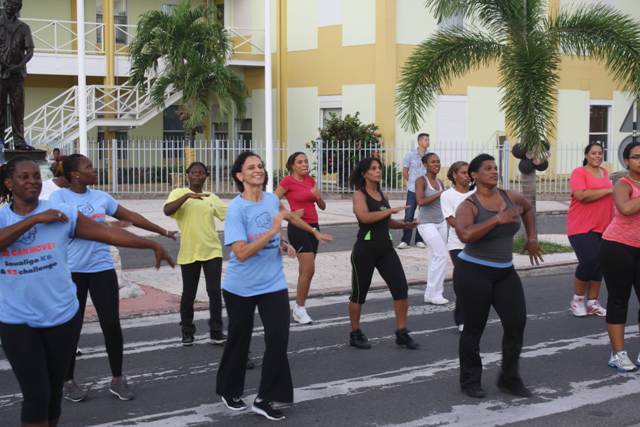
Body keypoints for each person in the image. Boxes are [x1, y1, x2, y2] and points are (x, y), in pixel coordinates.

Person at [0, 156, 173, 427]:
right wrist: (34, 220)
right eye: (24, 177)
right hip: (17, 321)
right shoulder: (4, 217)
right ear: (9, 183)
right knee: (36, 395)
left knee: (53, 394)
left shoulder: (61, 213)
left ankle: (113, 379)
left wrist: (151, 244)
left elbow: (107, 233)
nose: (32, 181)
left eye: (36, 176)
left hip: (61, 316)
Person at [49, 154, 177, 403]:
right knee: (71, 327)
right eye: (89, 167)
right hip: (72, 272)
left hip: (102, 269)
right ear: (75, 174)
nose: (94, 169)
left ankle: (117, 379)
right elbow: (69, 229)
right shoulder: (60, 198)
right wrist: (108, 229)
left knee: (111, 325)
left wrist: (162, 231)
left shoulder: (101, 197)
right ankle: (68, 380)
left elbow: (131, 216)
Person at [216, 151, 332, 421]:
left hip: (272, 284)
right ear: (240, 175)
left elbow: (287, 217)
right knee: (239, 340)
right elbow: (241, 253)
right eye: (251, 167)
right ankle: (229, 390)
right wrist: (271, 232)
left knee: (278, 339)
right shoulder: (236, 209)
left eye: (260, 166)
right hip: (241, 287)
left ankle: (265, 398)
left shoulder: (270, 200)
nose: (258, 170)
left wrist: (304, 235)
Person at [454, 154, 543, 399]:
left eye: (495, 167)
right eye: (488, 168)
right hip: (473, 272)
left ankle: (509, 378)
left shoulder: (509, 196)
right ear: (474, 175)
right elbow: (465, 234)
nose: (494, 171)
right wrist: (496, 219)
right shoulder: (469, 205)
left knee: (516, 323)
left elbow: (528, 209)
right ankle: (470, 381)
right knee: (474, 328)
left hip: (505, 272)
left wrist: (532, 238)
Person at [347, 157, 419, 351]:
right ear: (364, 173)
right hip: (365, 250)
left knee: (401, 288)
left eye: (379, 168)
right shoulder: (359, 195)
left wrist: (404, 225)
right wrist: (390, 211)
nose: (378, 171)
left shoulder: (381, 194)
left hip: (386, 249)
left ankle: (402, 333)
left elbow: (386, 222)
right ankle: (355, 333)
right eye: (373, 168)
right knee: (359, 293)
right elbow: (365, 217)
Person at [163, 161, 228, 346]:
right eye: (193, 172)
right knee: (189, 293)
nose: (197, 175)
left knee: (214, 292)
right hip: (189, 251)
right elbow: (167, 210)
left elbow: (230, 215)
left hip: (212, 250)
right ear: (188, 175)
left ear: (206, 177)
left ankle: (216, 331)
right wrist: (187, 196)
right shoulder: (178, 193)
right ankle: (187, 332)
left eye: (201, 173)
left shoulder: (211, 197)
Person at [600, 142, 640, 372]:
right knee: (619, 299)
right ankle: (618, 354)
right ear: (627, 161)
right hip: (618, 247)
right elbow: (626, 209)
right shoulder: (622, 184)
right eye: (636, 157)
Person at [275, 152, 327, 324]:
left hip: (314, 227)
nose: (304, 164)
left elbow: (322, 206)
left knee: (305, 271)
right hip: (298, 228)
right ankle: (300, 308)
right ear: (292, 166)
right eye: (300, 162)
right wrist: (289, 215)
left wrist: (318, 196)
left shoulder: (311, 180)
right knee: (309, 270)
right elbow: (271, 202)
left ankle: (299, 307)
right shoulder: (287, 182)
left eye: (305, 161)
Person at [566, 142, 612, 317]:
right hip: (581, 226)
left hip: (604, 226)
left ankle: (592, 303)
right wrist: (608, 190)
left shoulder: (605, 173)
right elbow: (581, 195)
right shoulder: (579, 172)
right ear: (586, 155)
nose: (597, 156)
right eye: (593, 153)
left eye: (600, 153)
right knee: (589, 261)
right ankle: (577, 300)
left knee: (600, 264)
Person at [440, 161, 474, 331]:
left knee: (475, 282)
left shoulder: (476, 193)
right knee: (463, 280)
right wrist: (470, 228)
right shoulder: (447, 195)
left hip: (477, 244)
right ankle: (461, 318)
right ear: (454, 175)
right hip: (457, 244)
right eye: (463, 172)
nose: (467, 176)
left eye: (469, 173)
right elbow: (451, 220)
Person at [415, 152, 449, 305]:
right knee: (441, 256)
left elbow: (444, 203)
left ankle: (432, 293)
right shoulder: (421, 180)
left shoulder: (440, 182)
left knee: (435, 257)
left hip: (441, 222)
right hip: (426, 223)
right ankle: (434, 293)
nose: (436, 164)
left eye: (438, 161)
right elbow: (421, 201)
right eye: (433, 162)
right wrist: (441, 193)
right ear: (425, 165)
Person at [397, 133, 429, 249]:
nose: (428, 142)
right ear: (419, 141)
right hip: (412, 190)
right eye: (426, 140)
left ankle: (419, 240)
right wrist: (411, 182)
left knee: (422, 215)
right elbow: (405, 171)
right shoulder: (410, 154)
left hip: (425, 191)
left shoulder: (429, 155)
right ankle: (405, 241)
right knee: (409, 214)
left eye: (428, 140)